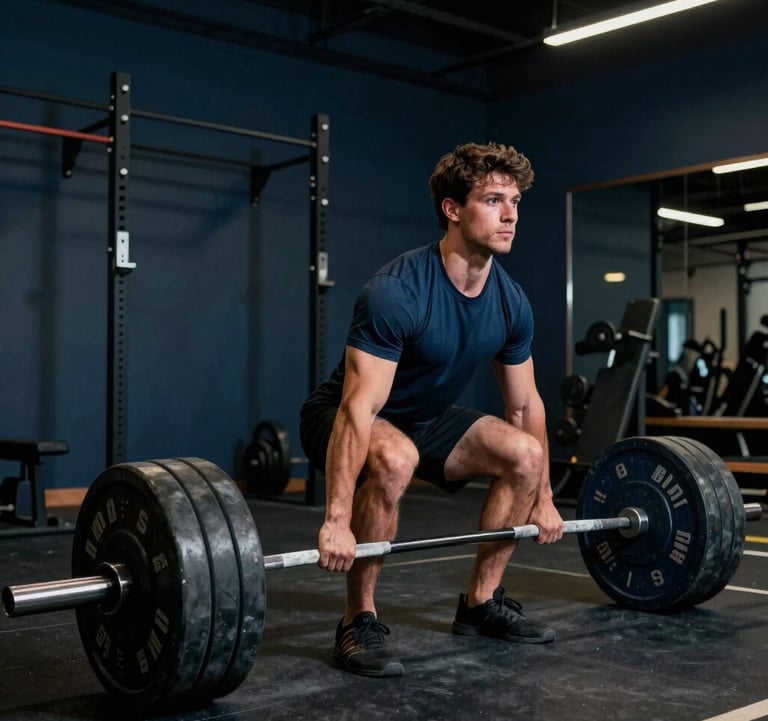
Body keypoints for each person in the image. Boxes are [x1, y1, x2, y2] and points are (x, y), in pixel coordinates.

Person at [299, 141, 564, 678]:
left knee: (526, 455)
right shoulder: (396, 292)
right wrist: (335, 520)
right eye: (493, 200)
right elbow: (356, 411)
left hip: (427, 418)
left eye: (514, 201)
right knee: (395, 457)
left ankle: (481, 604)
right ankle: (358, 621)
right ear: (452, 209)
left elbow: (525, 404)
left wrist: (545, 498)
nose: (510, 214)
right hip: (343, 418)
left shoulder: (511, 302)